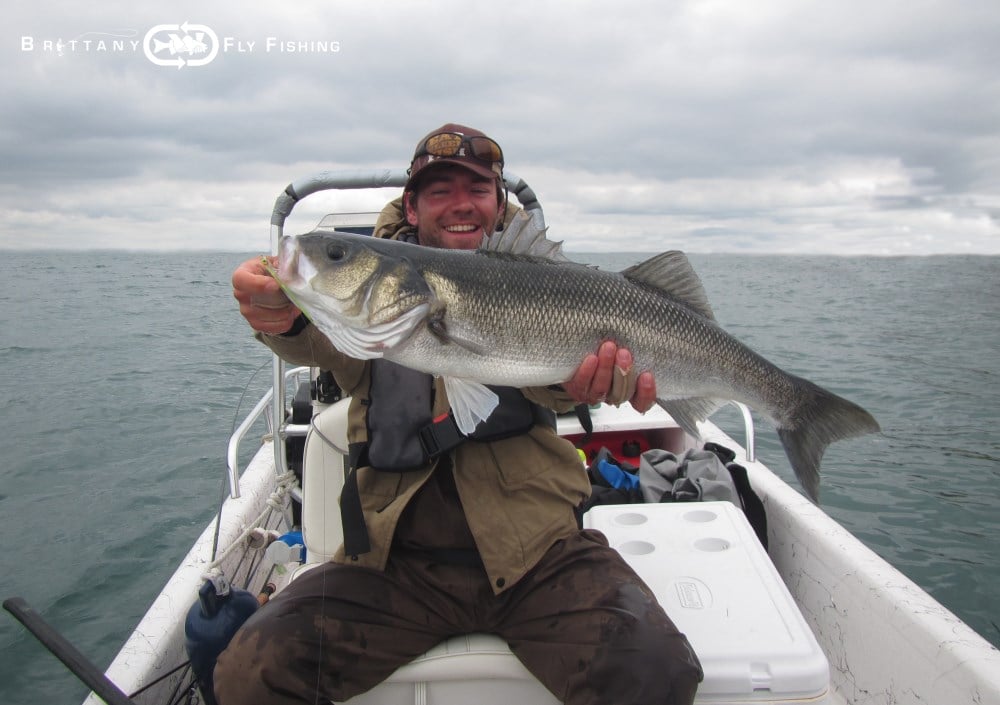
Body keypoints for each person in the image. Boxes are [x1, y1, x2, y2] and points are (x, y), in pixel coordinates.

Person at [217, 124, 703, 705]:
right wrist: (276, 309)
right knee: (248, 673)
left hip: (539, 555)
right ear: (413, 207)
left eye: (476, 189)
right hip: (391, 565)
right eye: (440, 190)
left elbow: (558, 395)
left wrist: (591, 384)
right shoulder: (356, 321)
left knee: (655, 669)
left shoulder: (543, 283)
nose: (460, 205)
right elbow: (304, 335)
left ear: (498, 204)